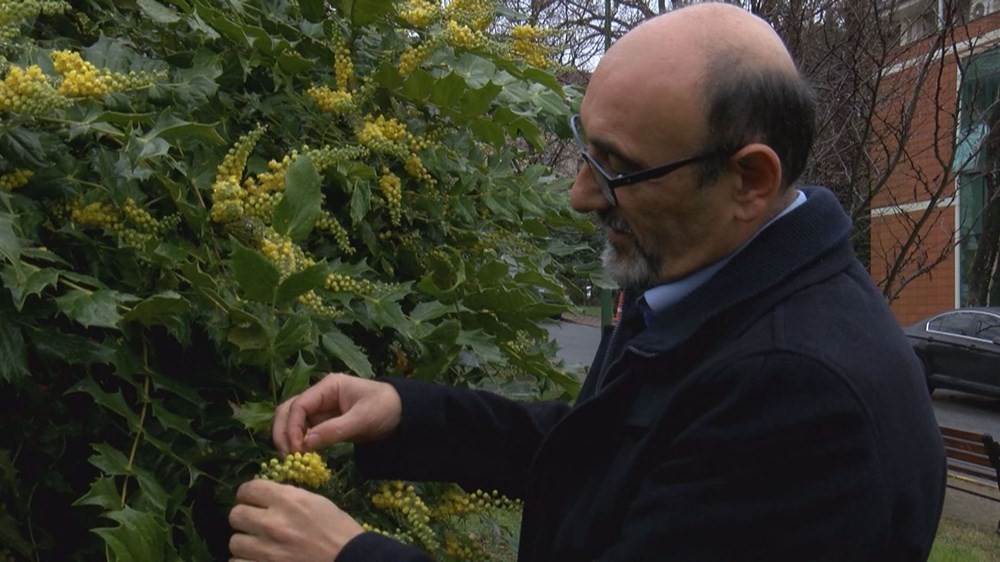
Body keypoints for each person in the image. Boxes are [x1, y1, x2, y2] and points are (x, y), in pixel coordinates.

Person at [228, 3, 947, 561]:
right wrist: (407, 414)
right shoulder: (709, 290)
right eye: (584, 150)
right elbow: (602, 455)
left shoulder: (801, 400)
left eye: (614, 167)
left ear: (749, 180)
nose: (578, 195)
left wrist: (349, 554)